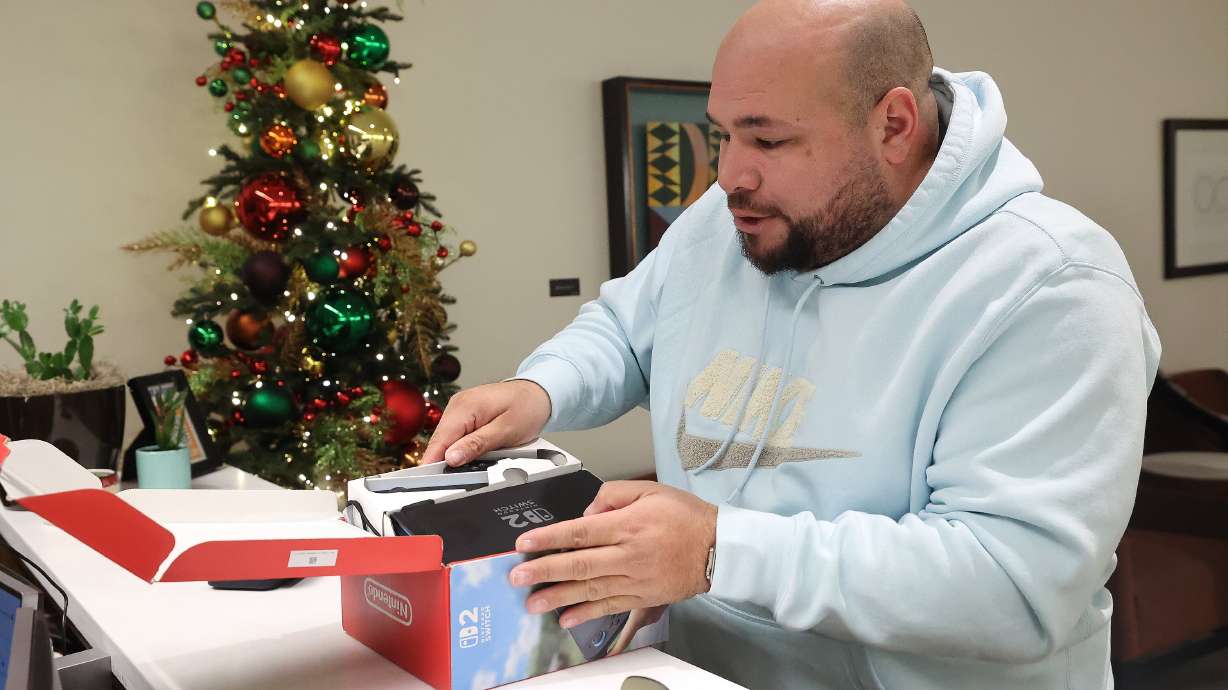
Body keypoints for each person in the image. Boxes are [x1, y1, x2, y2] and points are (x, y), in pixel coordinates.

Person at [422, 0, 1162, 687]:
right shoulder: (735, 214)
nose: (729, 175)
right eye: (724, 133)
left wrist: (718, 551)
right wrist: (540, 389)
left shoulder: (1054, 287)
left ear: (894, 126)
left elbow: (1013, 586)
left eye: (769, 138)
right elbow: (628, 329)